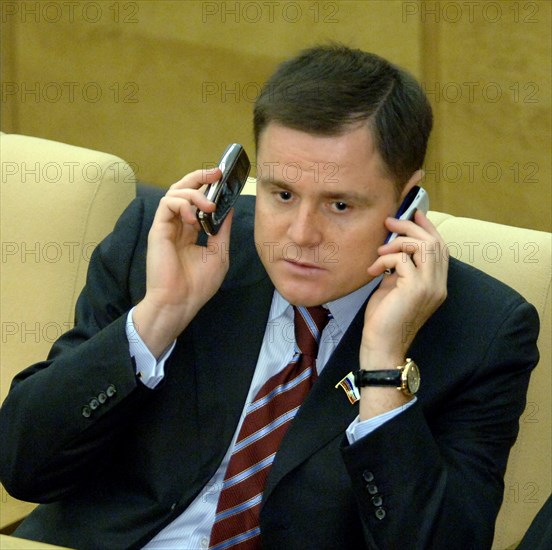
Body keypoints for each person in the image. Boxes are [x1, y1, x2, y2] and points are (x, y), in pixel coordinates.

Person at [0, 45, 539, 550]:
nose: (300, 234)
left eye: (340, 206)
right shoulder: (171, 244)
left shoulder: (483, 331)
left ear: (408, 199)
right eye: (282, 194)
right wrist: (159, 315)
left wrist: (381, 369)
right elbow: (24, 465)